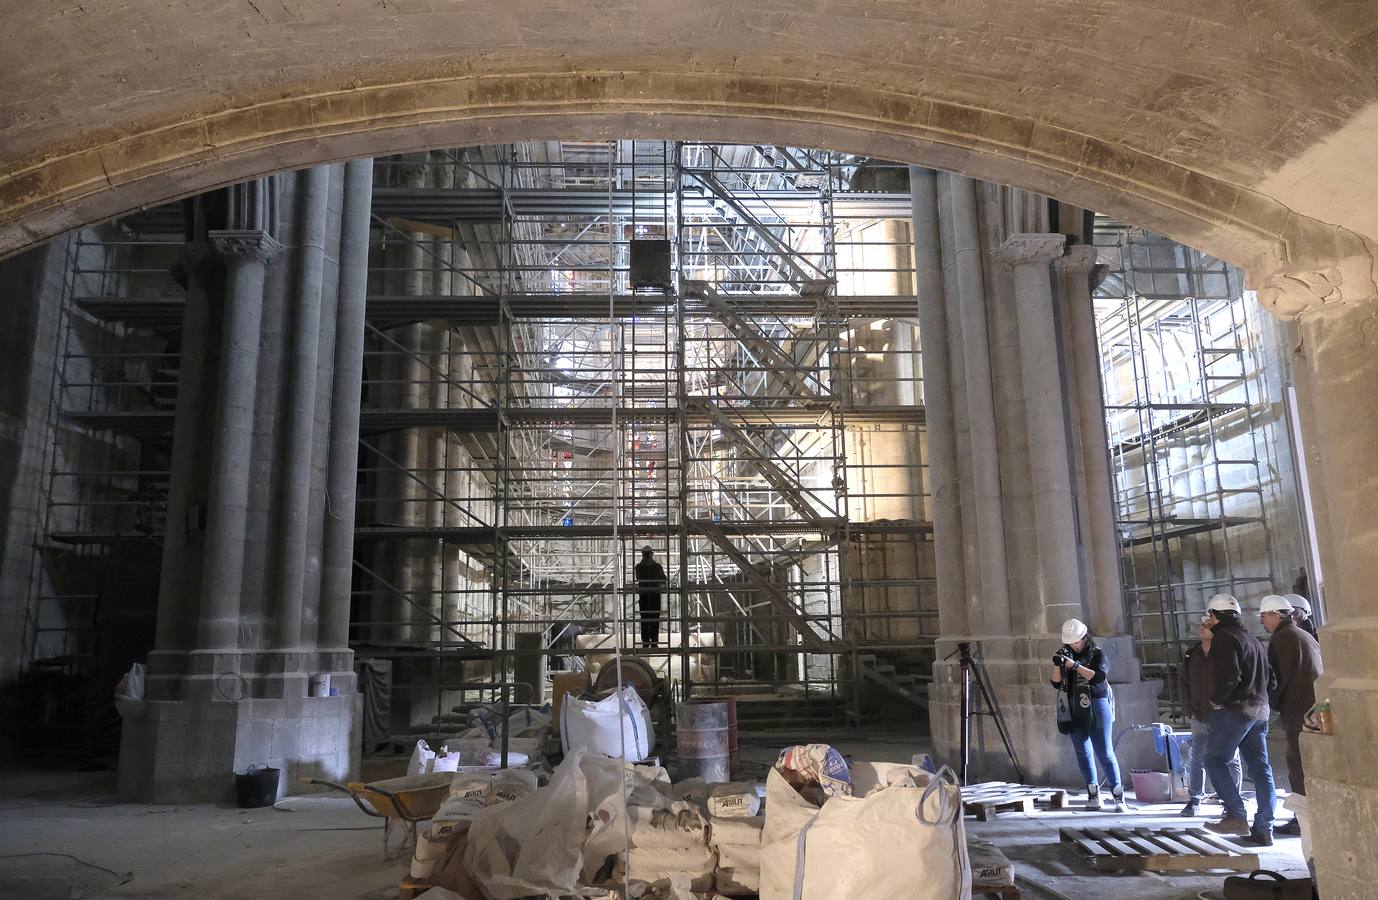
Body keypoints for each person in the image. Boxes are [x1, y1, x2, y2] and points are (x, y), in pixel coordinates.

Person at [1202, 593, 1277, 845]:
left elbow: (1229, 676)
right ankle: (1264, 828)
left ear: (1214, 615)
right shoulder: (1252, 639)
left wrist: (1217, 699)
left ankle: (1236, 815)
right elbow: (1272, 680)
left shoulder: (1224, 637)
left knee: (1214, 760)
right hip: (1260, 710)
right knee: (1261, 769)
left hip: (1237, 710)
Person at [1260, 594, 1323, 836]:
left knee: (1299, 766)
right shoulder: (1301, 634)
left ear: (1276, 615)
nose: (1262, 621)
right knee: (1307, 764)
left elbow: (1279, 679)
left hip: (1299, 712)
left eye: (1264, 616)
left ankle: (1304, 821)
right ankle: (1310, 818)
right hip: (1312, 710)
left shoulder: (1283, 638)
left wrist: (1273, 702)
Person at [1051, 618, 1129, 812]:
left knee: (1104, 751)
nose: (1075, 646)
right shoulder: (1066, 654)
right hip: (1074, 706)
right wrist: (1057, 664)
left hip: (1096, 703)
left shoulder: (1097, 653)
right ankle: (1093, 794)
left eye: (1077, 641)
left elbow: (1099, 677)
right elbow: (1055, 683)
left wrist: (1075, 666)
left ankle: (1118, 796)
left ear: (1085, 637)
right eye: (1070, 642)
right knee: (1082, 751)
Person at [1178, 614, 1242, 817]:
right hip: (1200, 713)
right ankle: (1195, 798)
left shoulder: (1224, 653)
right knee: (1197, 756)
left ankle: (1231, 801)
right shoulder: (1192, 655)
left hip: (1224, 715)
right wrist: (1189, 707)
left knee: (1230, 757)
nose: (1202, 628)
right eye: (1202, 625)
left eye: (1207, 625)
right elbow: (1184, 683)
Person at [634, 546, 666, 648]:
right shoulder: (657, 567)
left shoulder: (639, 567)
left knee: (645, 619)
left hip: (644, 595)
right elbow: (664, 580)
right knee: (654, 619)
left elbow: (639, 578)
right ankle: (654, 643)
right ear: (651, 554)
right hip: (655, 595)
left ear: (642, 554)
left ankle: (646, 643)